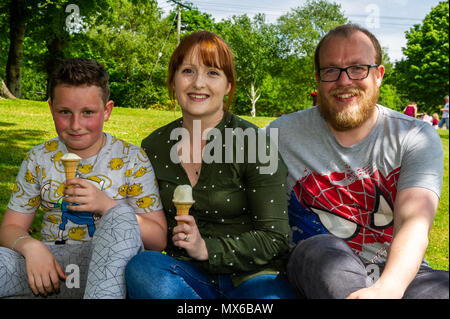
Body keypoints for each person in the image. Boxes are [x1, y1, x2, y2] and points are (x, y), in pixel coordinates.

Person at [267, 24, 449, 299]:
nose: (344, 81)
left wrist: (387, 289)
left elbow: (415, 223)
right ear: (318, 79)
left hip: (401, 273)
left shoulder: (415, 136)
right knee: (320, 250)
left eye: (358, 68)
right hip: (319, 265)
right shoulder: (279, 135)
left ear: (379, 75)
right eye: (331, 70)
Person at [125, 31, 295, 299]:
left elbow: (275, 238)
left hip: (253, 279)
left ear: (228, 85)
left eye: (213, 72)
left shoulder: (254, 143)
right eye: (188, 71)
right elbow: (152, 226)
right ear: (173, 80)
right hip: (184, 278)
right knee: (142, 269)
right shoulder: (153, 147)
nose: (198, 83)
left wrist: (207, 248)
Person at [0, 58, 166, 299]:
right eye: (64, 112)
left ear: (107, 110)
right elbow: (10, 229)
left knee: (120, 215)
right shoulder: (39, 157)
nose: (76, 125)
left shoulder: (132, 159)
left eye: (88, 113)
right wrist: (30, 247)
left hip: (113, 271)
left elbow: (158, 241)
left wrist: (106, 206)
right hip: (52, 268)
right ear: (51, 108)